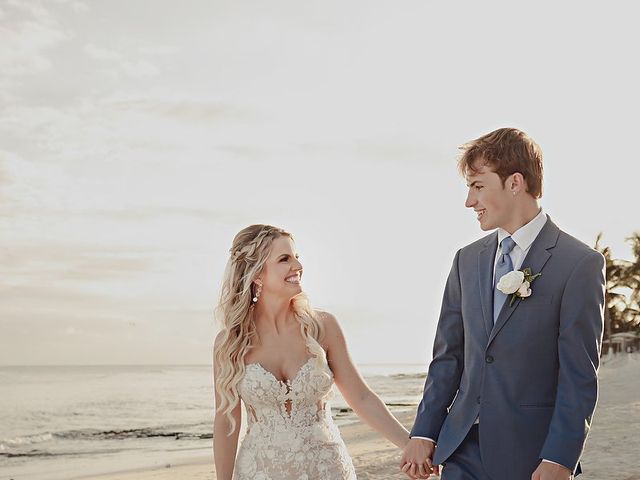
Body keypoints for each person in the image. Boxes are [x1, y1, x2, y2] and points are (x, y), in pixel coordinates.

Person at [400, 128, 605, 480]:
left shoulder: (579, 264)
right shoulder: (467, 260)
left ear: (514, 183)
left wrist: (561, 457)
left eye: (478, 186)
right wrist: (423, 432)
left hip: (530, 453)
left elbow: (579, 375)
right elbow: (448, 357)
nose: (469, 201)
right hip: (460, 448)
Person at [213, 224, 410, 480]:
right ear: (256, 275)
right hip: (259, 472)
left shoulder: (322, 327)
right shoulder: (231, 342)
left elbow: (361, 397)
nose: (297, 266)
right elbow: (227, 422)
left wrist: (410, 444)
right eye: (284, 259)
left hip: (327, 470)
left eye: (296, 257)